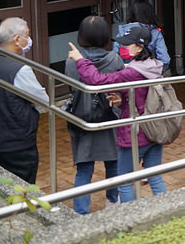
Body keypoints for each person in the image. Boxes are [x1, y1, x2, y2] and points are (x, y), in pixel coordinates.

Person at [67, 26, 166, 202]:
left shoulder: (132, 72)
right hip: (155, 128)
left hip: (136, 133)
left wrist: (81, 60)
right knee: (154, 174)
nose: (123, 48)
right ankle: (166, 210)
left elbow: (98, 81)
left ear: (139, 47)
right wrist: (124, 100)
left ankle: (130, 218)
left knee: (124, 180)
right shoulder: (152, 65)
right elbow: (144, 95)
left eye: (128, 45)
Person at [65, 15, 124, 214]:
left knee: (84, 169)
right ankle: (112, 201)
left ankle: (80, 212)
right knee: (113, 165)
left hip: (83, 119)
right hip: (110, 118)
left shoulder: (72, 61)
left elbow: (72, 89)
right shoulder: (114, 59)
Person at [0, 17, 49, 184]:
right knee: (23, 188)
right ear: (17, 39)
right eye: (27, 35)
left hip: (0, 138)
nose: (29, 39)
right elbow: (44, 100)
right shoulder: (20, 70)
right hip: (17, 141)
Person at [115, 0, 171, 73]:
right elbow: (165, 59)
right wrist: (154, 73)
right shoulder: (155, 32)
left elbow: (115, 60)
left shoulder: (122, 32)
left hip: (126, 77)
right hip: (149, 77)